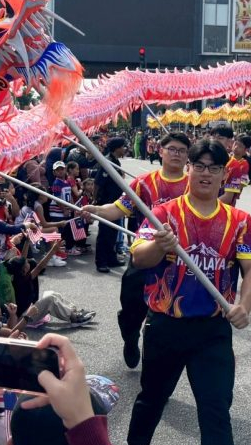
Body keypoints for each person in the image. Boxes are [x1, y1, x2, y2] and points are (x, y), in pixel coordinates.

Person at [124, 139, 251, 445]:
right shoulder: (164, 215)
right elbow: (140, 258)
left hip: (212, 332)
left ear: (224, 175)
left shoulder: (240, 221)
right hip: (167, 325)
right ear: (188, 169)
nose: (205, 172)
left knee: (216, 412)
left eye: (213, 167)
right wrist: (159, 245)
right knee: (152, 398)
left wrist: (245, 306)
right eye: (198, 165)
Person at [81, 132, 191, 369]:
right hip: (144, 256)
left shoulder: (194, 185)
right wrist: (96, 210)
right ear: (160, 151)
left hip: (179, 263)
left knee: (165, 321)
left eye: (182, 151)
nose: (176, 154)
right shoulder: (143, 183)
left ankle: (157, 374)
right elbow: (117, 210)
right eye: (172, 148)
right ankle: (130, 339)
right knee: (131, 313)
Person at [94, 137, 128, 272]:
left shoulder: (115, 160)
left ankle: (111, 259)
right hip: (106, 203)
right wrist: (95, 199)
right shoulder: (107, 161)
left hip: (115, 203)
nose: (124, 149)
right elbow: (98, 183)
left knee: (113, 233)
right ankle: (101, 262)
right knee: (104, 234)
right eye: (122, 147)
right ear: (116, 148)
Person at [219, 135, 251, 206]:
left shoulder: (244, 164)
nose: (236, 147)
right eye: (235, 144)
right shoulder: (227, 158)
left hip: (230, 193)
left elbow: (243, 182)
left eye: (240, 146)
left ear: (245, 150)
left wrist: (231, 188)